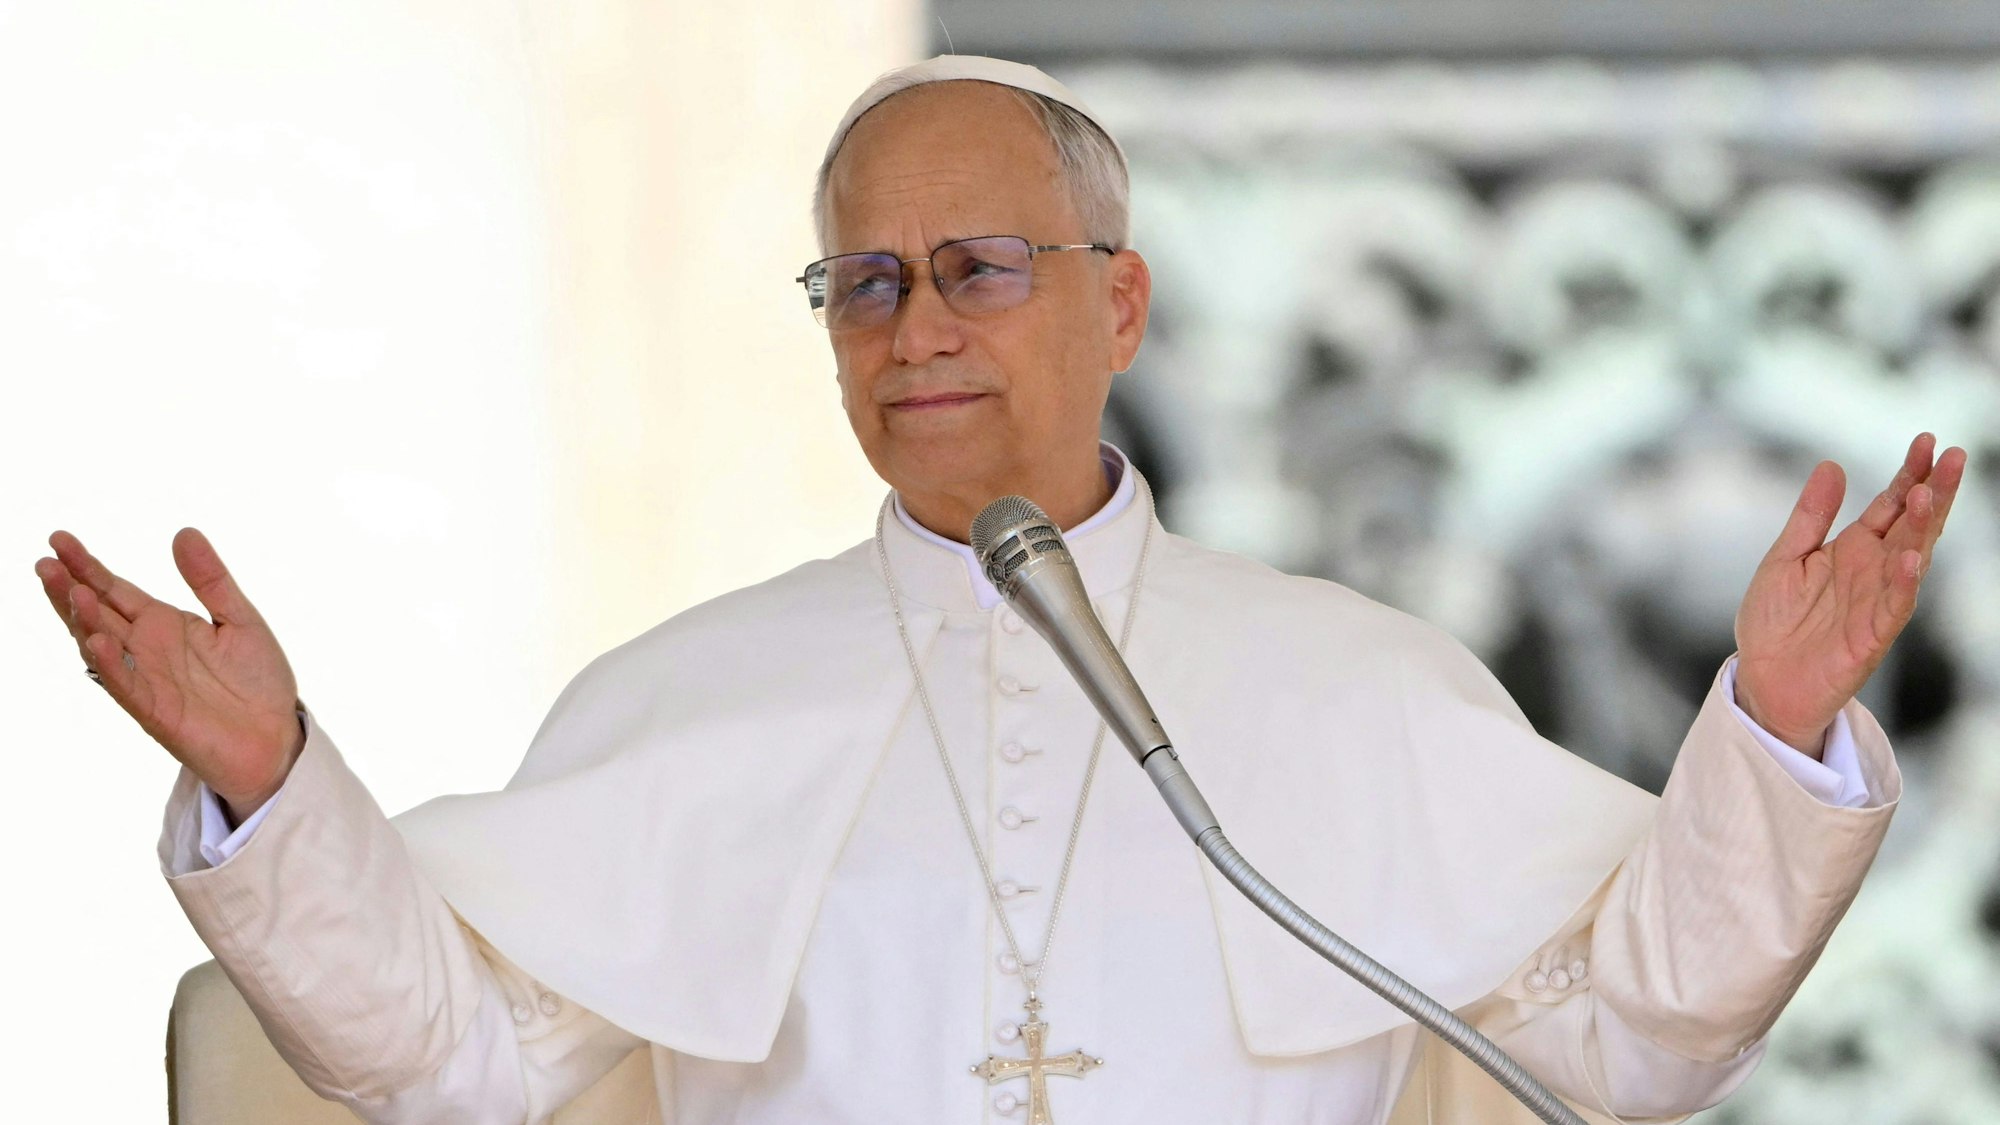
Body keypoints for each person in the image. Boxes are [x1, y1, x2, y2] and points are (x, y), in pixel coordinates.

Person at [36, 55, 1965, 1124]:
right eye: (863, 283)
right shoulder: (689, 698)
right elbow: (451, 1067)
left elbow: (1625, 1040)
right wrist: (280, 784)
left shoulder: (1352, 678)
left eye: (979, 267)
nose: (915, 326)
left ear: (1119, 299)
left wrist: (1774, 731)